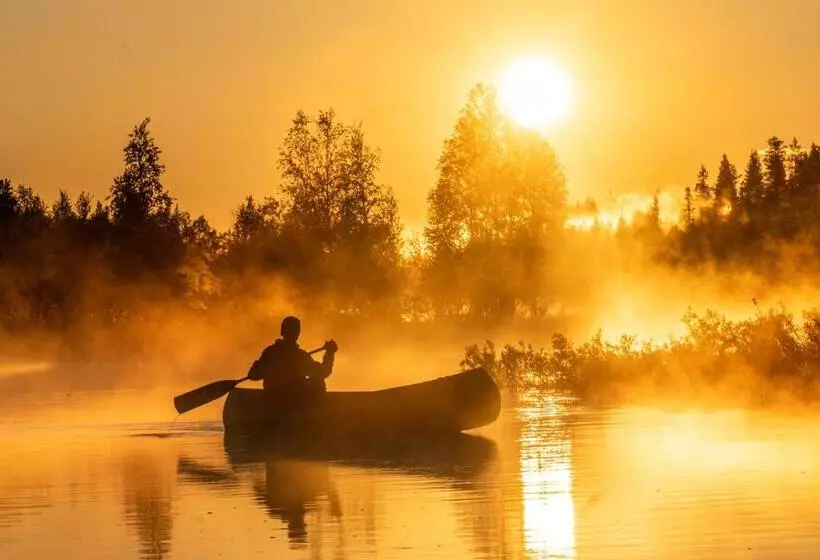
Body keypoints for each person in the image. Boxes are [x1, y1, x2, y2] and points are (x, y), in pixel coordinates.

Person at [247, 316, 338, 404]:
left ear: (282, 331)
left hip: (273, 400)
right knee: (318, 381)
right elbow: (322, 372)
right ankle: (317, 410)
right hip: (293, 402)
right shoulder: (300, 356)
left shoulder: (270, 352)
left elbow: (253, 375)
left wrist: (264, 367)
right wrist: (329, 354)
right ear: (298, 334)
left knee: (317, 379)